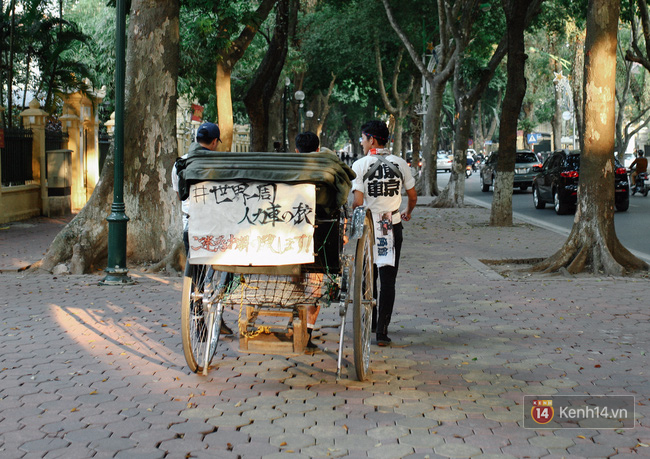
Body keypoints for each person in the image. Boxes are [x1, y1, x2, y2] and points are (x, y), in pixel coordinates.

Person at [351, 120, 417, 346]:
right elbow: (413, 195)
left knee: (368, 276)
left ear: (371, 139)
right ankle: (382, 332)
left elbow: (358, 201)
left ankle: (370, 320)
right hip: (392, 225)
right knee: (388, 280)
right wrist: (407, 211)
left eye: (363, 138)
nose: (361, 142)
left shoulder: (359, 165)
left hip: (369, 228)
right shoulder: (400, 163)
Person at [171, 122, 233, 336]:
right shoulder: (220, 162)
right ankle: (219, 313)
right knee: (228, 270)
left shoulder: (180, 164)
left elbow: (180, 195)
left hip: (192, 226)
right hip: (219, 228)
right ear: (214, 142)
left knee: (195, 278)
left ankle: (199, 323)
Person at [294, 131, 327, 352]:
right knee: (315, 286)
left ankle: (296, 324)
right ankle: (306, 331)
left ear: (296, 151)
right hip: (318, 239)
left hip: (284, 241)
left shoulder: (285, 172)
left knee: (295, 284)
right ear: (317, 151)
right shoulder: (326, 174)